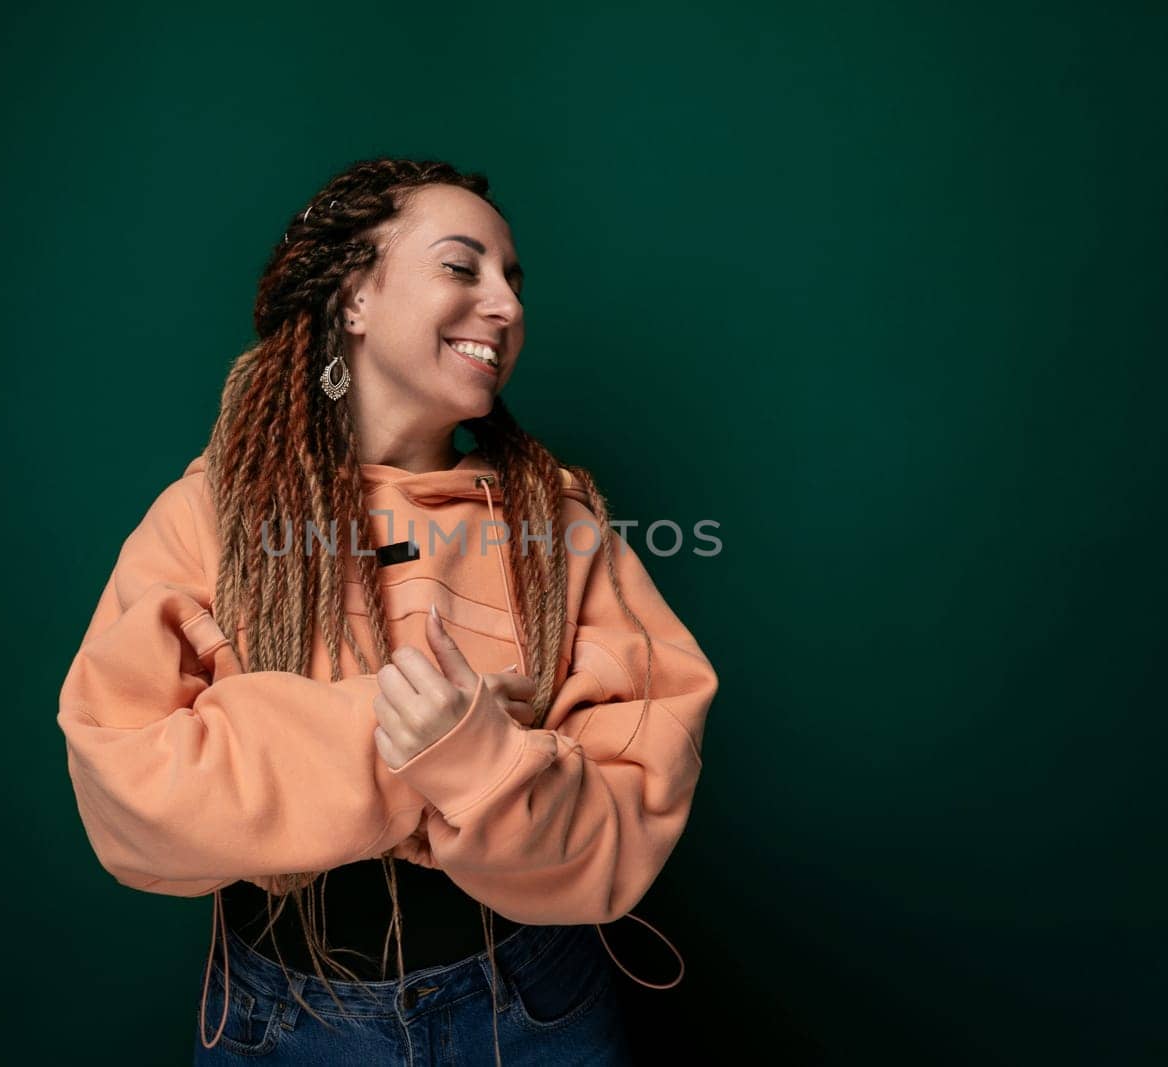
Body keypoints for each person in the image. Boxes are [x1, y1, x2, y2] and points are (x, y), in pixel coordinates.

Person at [56, 158, 720, 1065]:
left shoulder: (558, 522)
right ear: (355, 299)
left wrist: (472, 759)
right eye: (463, 266)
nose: (507, 305)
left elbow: (632, 809)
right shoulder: (211, 516)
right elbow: (125, 785)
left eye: (513, 281)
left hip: (533, 1007)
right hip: (285, 1024)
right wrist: (422, 743)